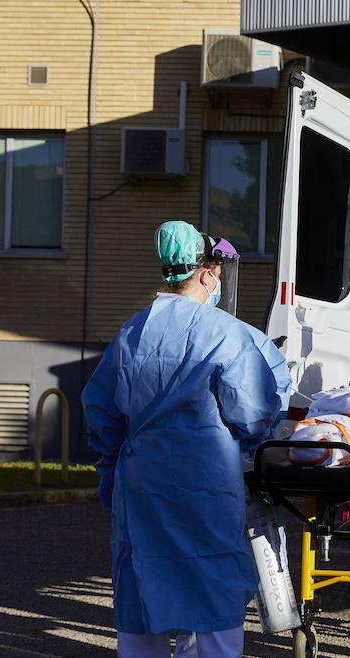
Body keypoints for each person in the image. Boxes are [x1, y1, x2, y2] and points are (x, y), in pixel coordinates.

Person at [83, 220, 291, 658]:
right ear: (208, 273)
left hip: (141, 483)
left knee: (140, 590)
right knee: (211, 592)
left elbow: (100, 412)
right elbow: (253, 411)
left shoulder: (132, 331)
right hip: (205, 482)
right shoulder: (225, 333)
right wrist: (255, 443)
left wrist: (111, 468)